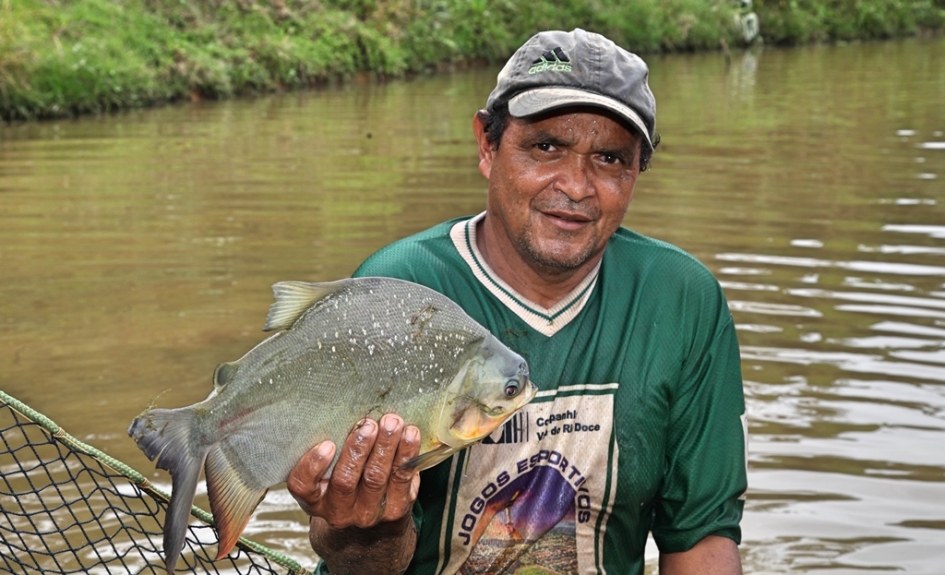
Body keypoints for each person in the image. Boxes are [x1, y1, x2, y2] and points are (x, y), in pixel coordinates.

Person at [287, 28, 747, 575]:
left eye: (609, 158)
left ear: (635, 174)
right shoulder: (401, 289)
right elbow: (361, 560)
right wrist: (368, 525)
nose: (576, 186)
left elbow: (701, 535)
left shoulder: (681, 301)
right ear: (487, 145)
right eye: (546, 147)